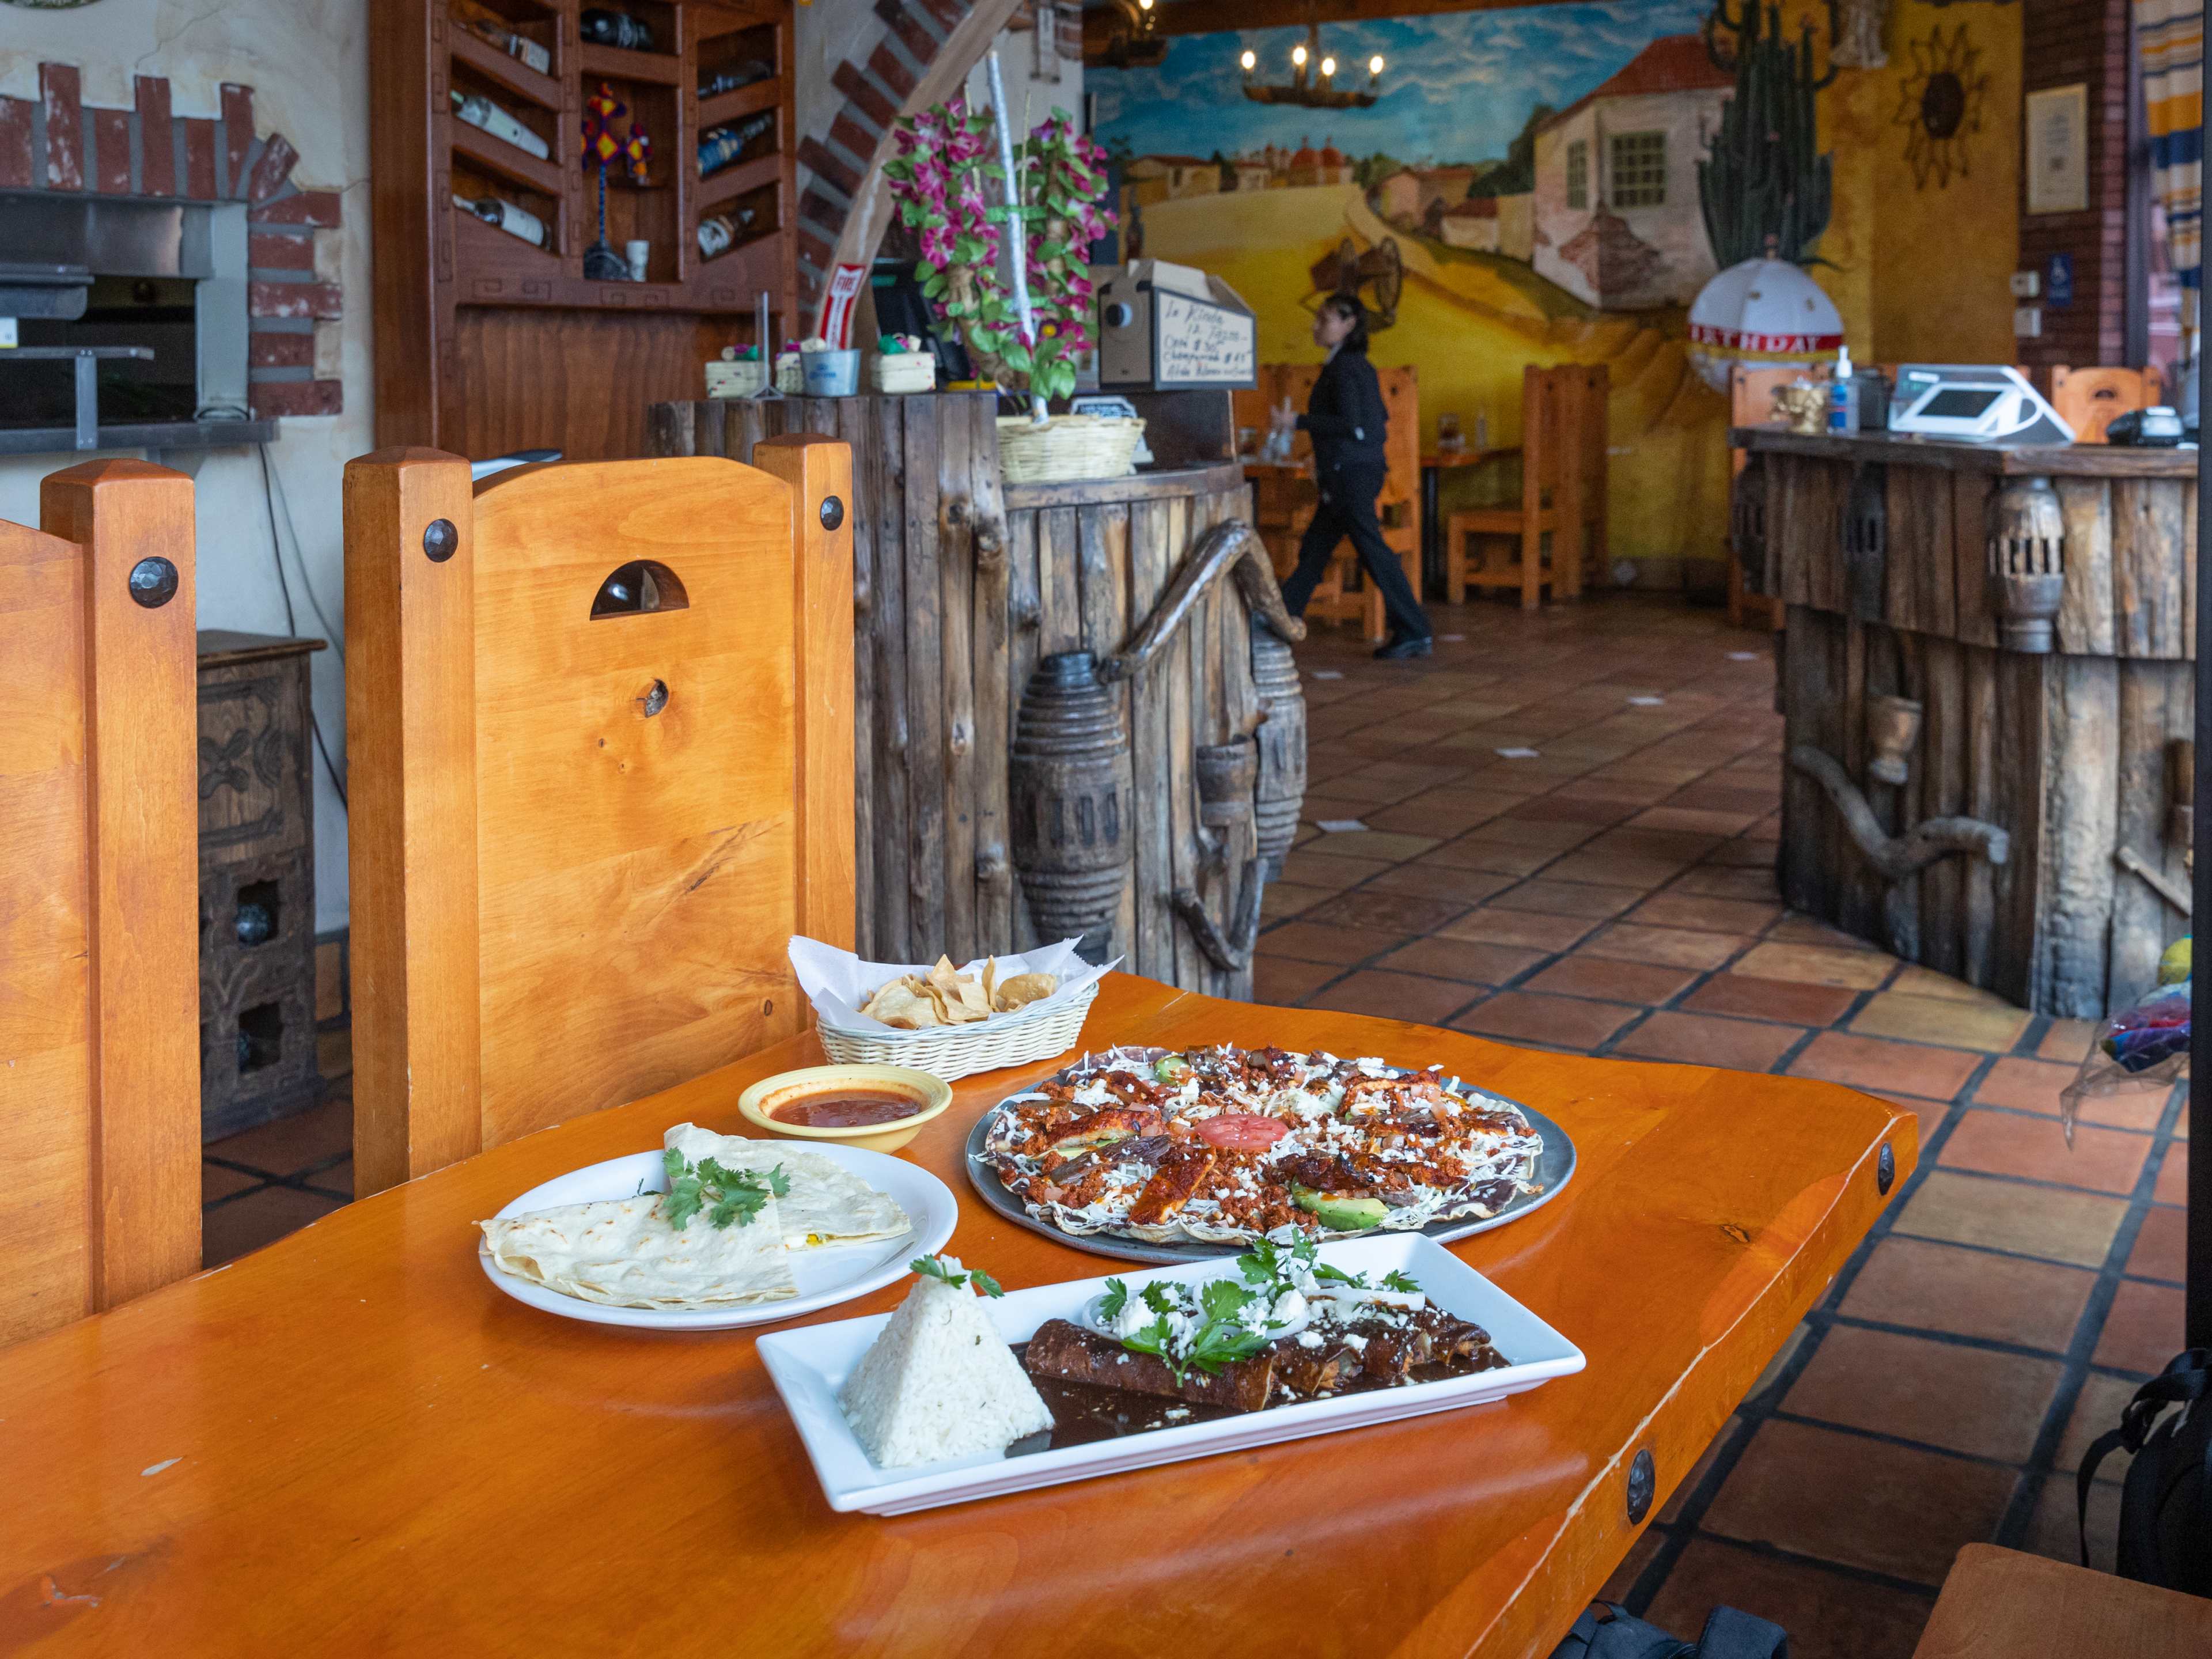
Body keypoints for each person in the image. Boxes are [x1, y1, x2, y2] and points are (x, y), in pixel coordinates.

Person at [1271, 292, 1432, 659]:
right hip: (1351, 471)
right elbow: (1375, 423)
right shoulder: (1354, 365)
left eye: (1324, 320)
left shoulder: (1344, 368)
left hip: (1350, 474)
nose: (1316, 326)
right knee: (1315, 549)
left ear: (1348, 325)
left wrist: (1295, 422)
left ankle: (1414, 627)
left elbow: (1352, 423)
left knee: (1370, 549)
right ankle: (1281, 618)